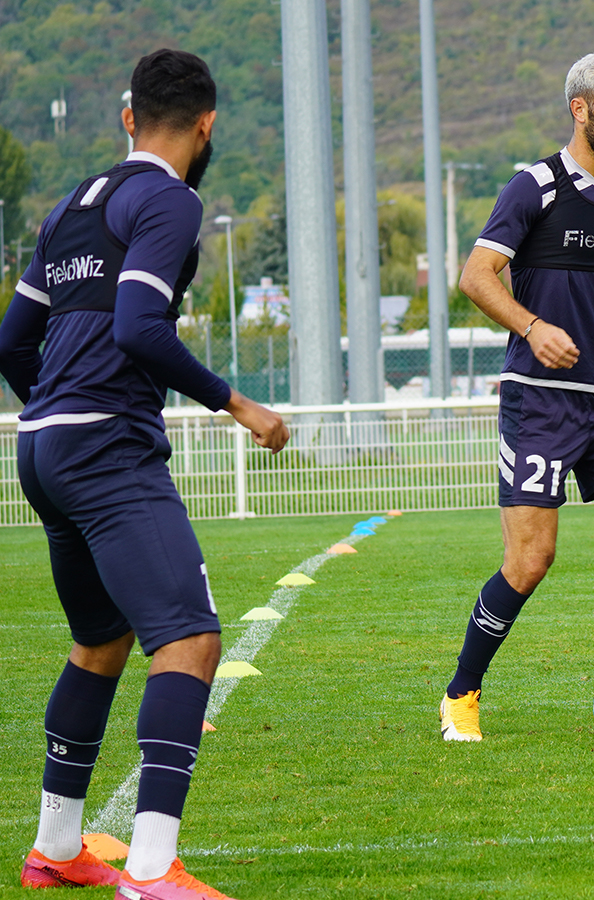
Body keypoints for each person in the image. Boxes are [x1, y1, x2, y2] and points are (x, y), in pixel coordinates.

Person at [0, 49, 289, 899]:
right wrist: (238, 404)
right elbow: (137, 327)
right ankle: (154, 872)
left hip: (42, 446)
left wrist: (56, 408)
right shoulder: (169, 198)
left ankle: (56, 849)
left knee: (101, 641)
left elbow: (12, 342)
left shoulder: (71, 204)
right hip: (101, 449)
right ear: (204, 128)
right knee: (192, 640)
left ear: (129, 118)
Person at [439, 52, 594, 742]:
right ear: (580, 110)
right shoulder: (534, 189)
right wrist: (533, 325)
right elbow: (477, 275)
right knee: (529, 561)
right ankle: (461, 695)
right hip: (542, 402)